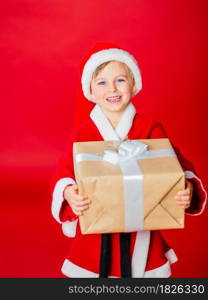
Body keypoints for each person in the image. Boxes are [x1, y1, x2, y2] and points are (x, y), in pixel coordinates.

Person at [51, 42, 207, 278]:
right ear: (90, 91)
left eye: (121, 80)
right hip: (96, 228)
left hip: (142, 225)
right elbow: (65, 169)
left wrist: (187, 186)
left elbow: (176, 164)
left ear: (134, 85)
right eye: (102, 82)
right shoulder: (83, 133)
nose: (112, 89)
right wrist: (68, 191)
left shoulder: (151, 129)